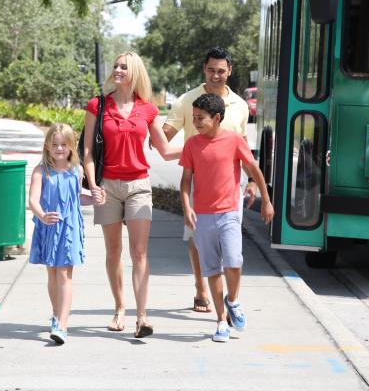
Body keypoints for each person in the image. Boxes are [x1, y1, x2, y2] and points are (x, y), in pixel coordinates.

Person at [83, 51, 180, 339]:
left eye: (124, 67)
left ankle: (142, 317)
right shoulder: (97, 106)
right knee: (113, 252)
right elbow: (88, 151)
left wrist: (204, 145)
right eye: (115, 66)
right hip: (108, 187)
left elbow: (164, 150)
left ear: (135, 72)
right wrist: (93, 184)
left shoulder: (148, 110)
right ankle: (119, 308)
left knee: (139, 252)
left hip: (139, 185)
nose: (117, 70)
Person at [162, 47, 256, 314]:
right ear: (204, 69)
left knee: (231, 246)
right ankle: (201, 288)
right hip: (197, 184)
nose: (216, 75)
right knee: (196, 241)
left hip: (230, 187)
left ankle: (230, 300)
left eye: (221, 71)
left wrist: (250, 180)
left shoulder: (239, 105)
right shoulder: (186, 101)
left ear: (229, 72)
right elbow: (164, 137)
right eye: (211, 70)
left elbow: (244, 145)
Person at [179, 93, 274, 343]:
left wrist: (266, 199)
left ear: (217, 118)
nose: (196, 122)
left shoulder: (233, 141)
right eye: (194, 117)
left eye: (201, 118)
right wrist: (187, 207)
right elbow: (186, 180)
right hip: (203, 215)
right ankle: (221, 321)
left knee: (233, 262)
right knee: (211, 269)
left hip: (229, 212)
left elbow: (254, 169)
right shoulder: (192, 144)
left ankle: (232, 301)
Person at [28, 122, 105, 345]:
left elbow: (76, 198)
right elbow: (33, 200)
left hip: (69, 229)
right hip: (49, 227)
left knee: (64, 274)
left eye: (64, 144)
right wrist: (42, 215)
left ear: (71, 146)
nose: (59, 148)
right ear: (47, 146)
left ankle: (62, 324)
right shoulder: (41, 171)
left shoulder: (76, 171)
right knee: (52, 275)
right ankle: (56, 314)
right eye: (55, 144)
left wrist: (94, 199)